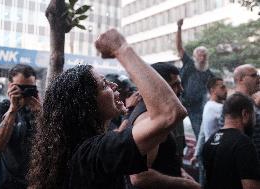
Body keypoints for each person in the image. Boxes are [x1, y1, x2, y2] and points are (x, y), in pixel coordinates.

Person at [27, 29, 187, 189]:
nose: (114, 85)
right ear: (87, 104)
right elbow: (170, 113)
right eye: (104, 85)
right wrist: (121, 48)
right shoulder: (93, 153)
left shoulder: (82, 150)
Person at [126, 62, 200, 189]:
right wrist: (184, 183)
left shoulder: (156, 114)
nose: (181, 90)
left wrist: (180, 174)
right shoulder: (148, 118)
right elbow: (139, 177)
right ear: (159, 86)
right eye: (175, 85)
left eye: (180, 84)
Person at [0, 64, 41, 189]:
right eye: (22, 87)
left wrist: (41, 115)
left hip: (33, 182)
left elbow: (51, 143)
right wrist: (12, 110)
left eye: (30, 88)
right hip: (5, 182)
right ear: (10, 87)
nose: (25, 92)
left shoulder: (39, 110)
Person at [203, 93, 260, 189]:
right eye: (253, 116)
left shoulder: (210, 141)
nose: (254, 122)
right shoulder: (243, 144)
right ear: (245, 114)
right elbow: (251, 187)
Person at [176, 18, 214, 138]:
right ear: (195, 56)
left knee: (200, 133)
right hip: (180, 102)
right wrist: (179, 28)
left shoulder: (209, 73)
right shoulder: (189, 63)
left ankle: (200, 153)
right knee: (175, 132)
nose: (202, 57)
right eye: (200, 54)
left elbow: (213, 90)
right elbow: (179, 47)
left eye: (204, 55)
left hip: (197, 107)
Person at [191, 77, 227, 186]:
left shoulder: (208, 105)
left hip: (209, 154)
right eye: (222, 87)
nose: (226, 90)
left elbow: (202, 132)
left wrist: (197, 153)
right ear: (212, 90)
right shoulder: (218, 108)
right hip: (217, 156)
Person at [231, 64, 260, 158]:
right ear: (241, 79)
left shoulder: (250, 102)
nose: (258, 77)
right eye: (254, 75)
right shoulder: (235, 103)